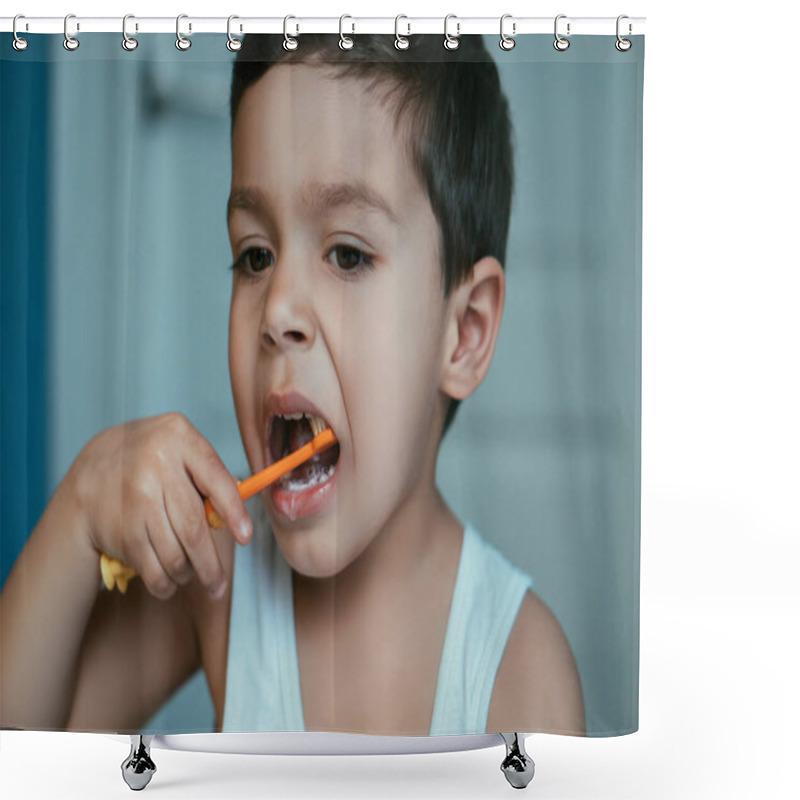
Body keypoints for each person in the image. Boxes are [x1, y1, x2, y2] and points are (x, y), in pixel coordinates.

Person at [0, 33, 585, 737]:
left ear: (462, 334)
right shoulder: (216, 578)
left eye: (346, 254)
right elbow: (22, 753)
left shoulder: (520, 668)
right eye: (255, 255)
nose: (276, 309)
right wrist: (81, 502)